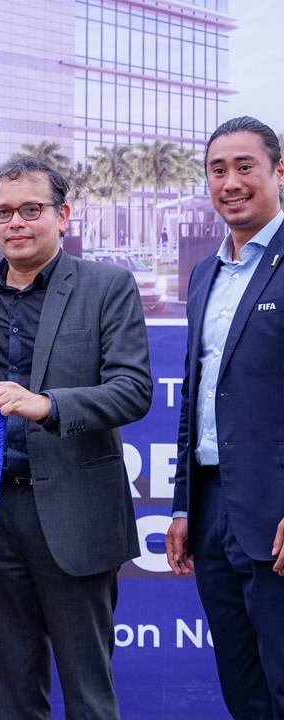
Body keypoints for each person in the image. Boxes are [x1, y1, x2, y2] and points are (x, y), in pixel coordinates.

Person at [0, 156, 152, 719]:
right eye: (4, 212)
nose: (16, 222)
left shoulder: (106, 286)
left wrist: (49, 405)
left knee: (88, 693)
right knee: (10, 690)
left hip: (75, 513)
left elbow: (133, 390)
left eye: (31, 210)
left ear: (63, 216)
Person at [166, 116, 284, 719]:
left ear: (279, 171)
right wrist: (186, 506)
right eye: (218, 170)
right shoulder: (205, 272)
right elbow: (197, 396)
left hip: (276, 510)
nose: (231, 182)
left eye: (245, 167)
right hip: (213, 511)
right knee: (243, 688)